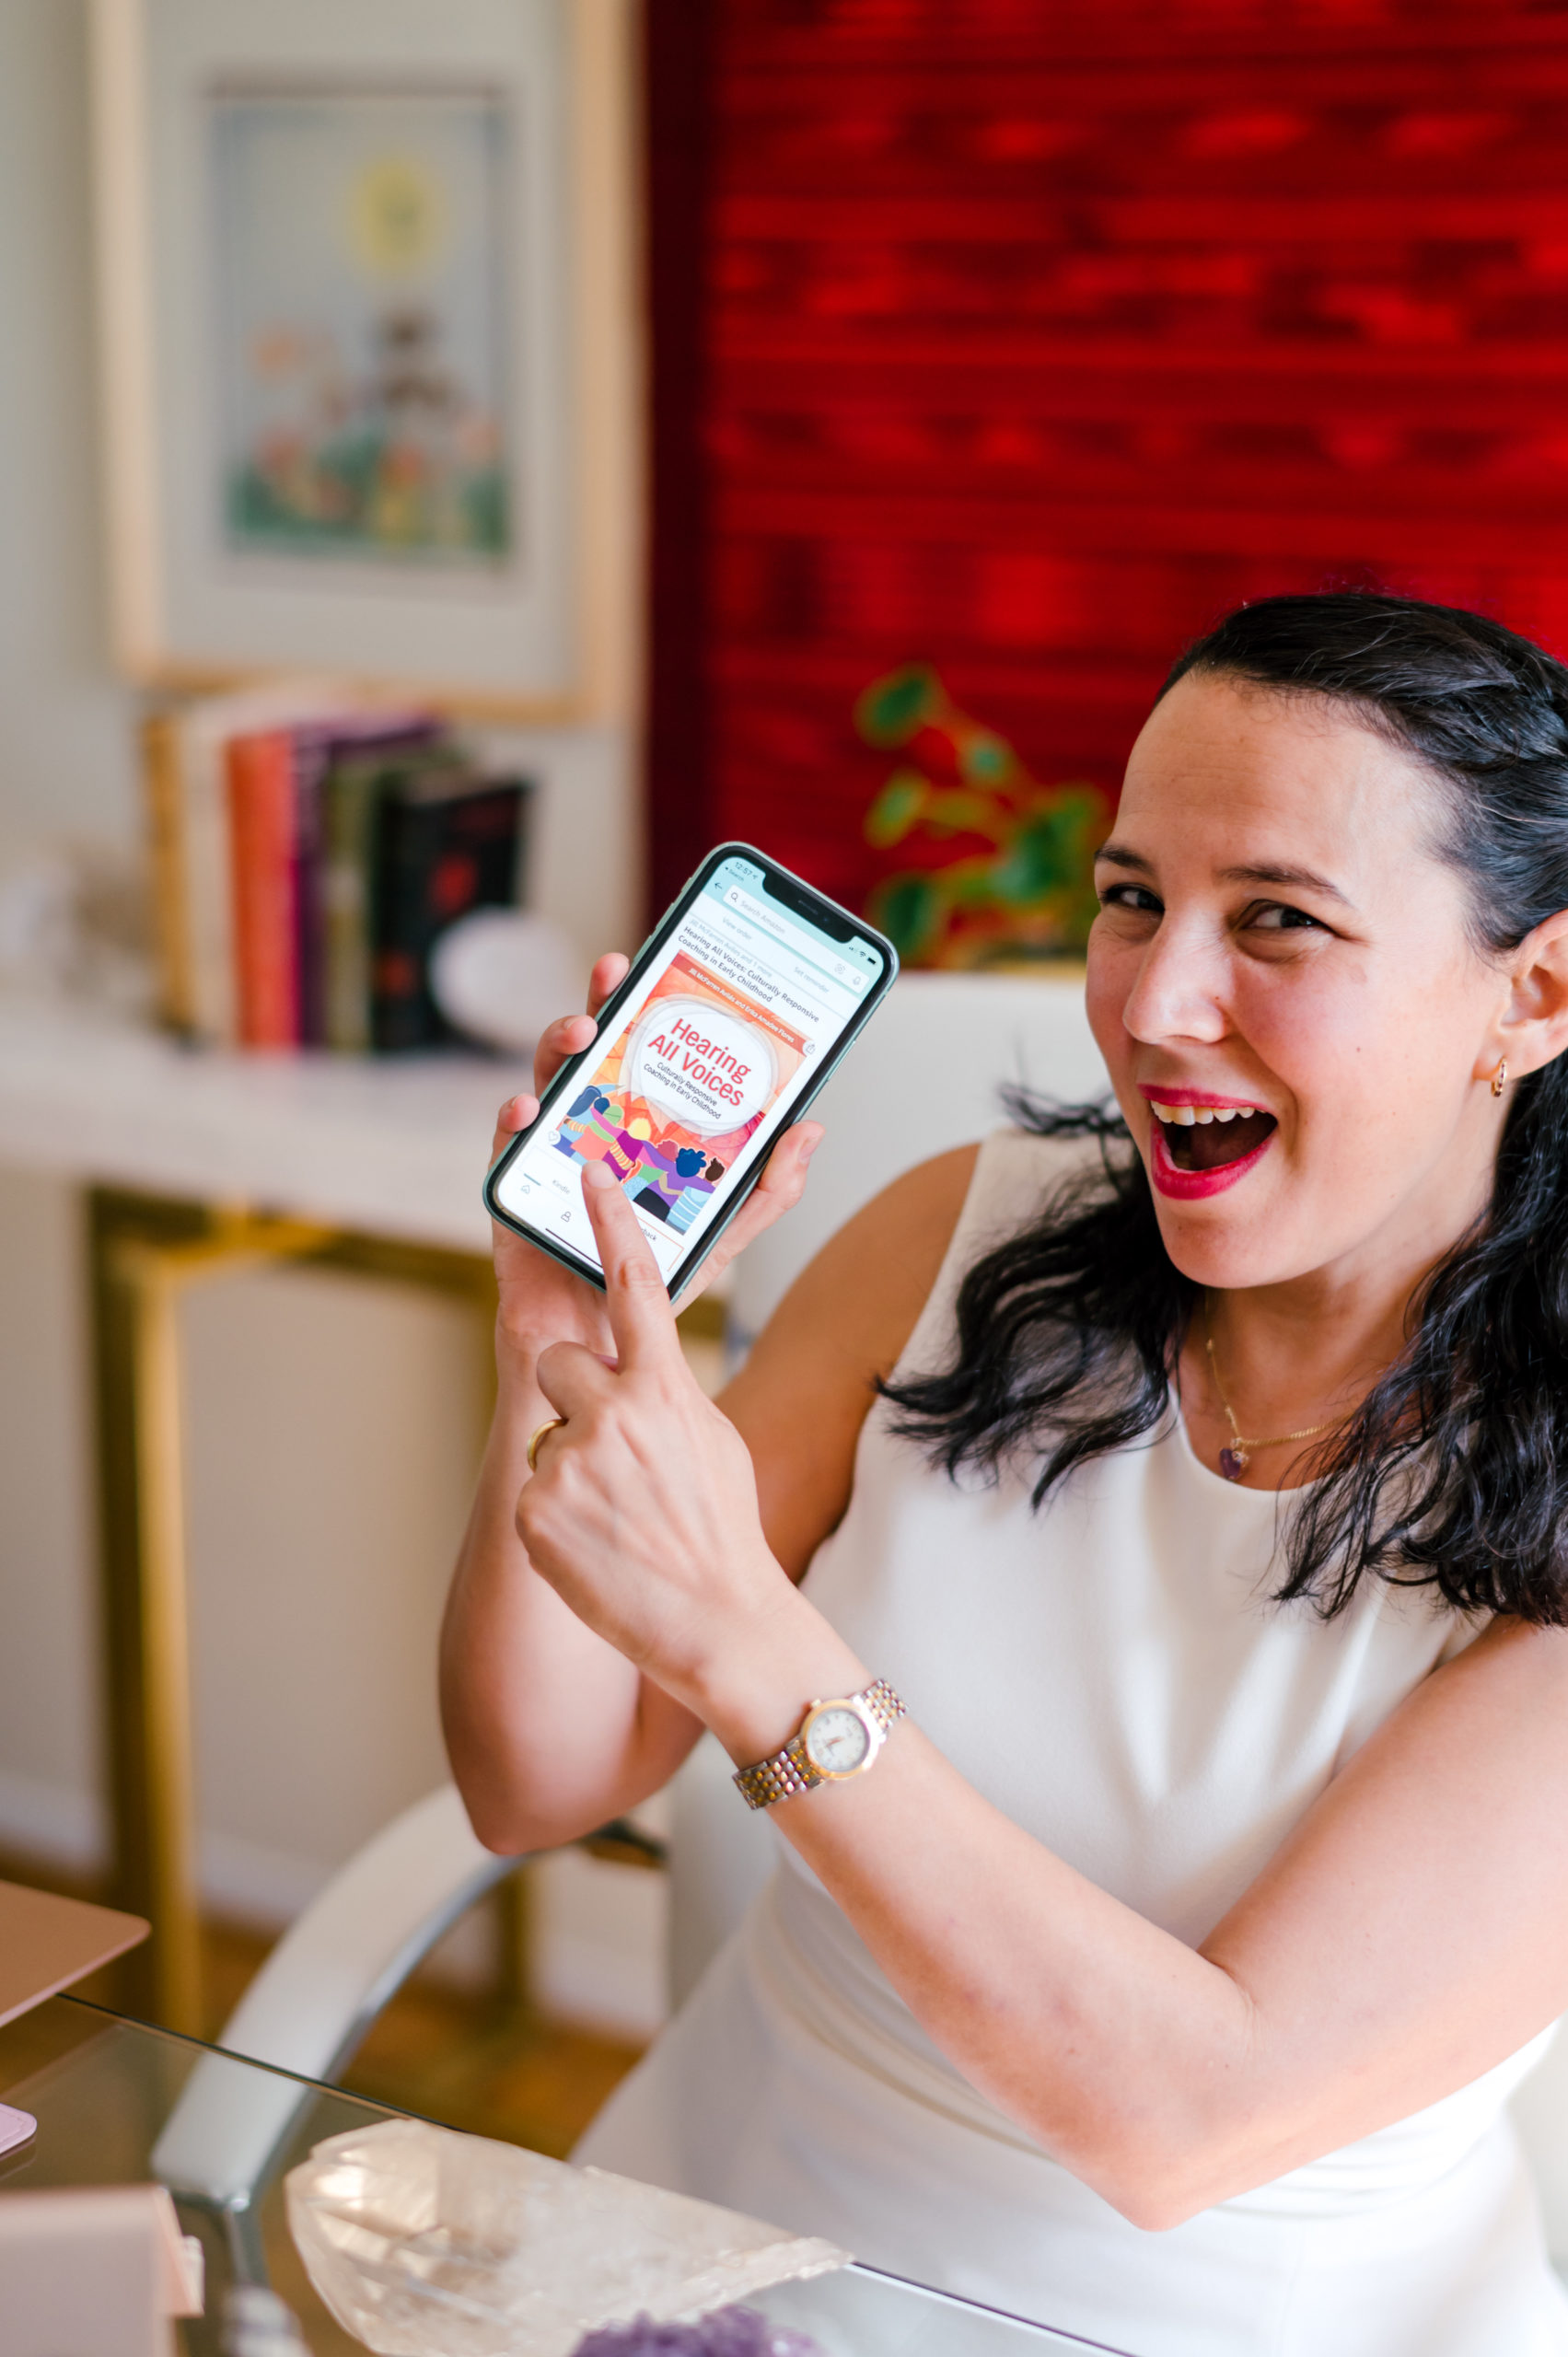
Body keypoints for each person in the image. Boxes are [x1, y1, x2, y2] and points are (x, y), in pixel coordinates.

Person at [439, 593, 1568, 2356]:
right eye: (1133, 900)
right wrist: (568, 1347)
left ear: (1536, 990)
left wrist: (754, 1638)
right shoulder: (965, 1244)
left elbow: (1184, 2120)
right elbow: (539, 1774)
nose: (1158, 1001)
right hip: (711, 2247)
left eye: (1277, 919)